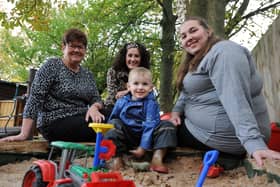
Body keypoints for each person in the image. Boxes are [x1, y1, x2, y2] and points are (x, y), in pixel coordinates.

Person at [169, 16, 280, 169]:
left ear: (208, 31)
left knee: (155, 130)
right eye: (183, 36)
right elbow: (187, 93)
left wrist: (254, 143)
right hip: (213, 130)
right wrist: (176, 112)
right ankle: (225, 155)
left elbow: (235, 98)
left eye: (193, 31)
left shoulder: (224, 52)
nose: (189, 38)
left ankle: (227, 153)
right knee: (166, 122)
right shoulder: (197, 61)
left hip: (228, 136)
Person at [0, 28, 105, 143]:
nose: (76, 50)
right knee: (106, 126)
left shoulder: (87, 74)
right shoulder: (52, 66)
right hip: (55, 121)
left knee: (114, 114)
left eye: (80, 47)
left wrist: (94, 107)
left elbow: (97, 99)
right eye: (72, 46)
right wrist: (24, 134)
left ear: (85, 50)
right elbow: (35, 99)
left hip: (82, 117)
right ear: (63, 47)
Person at [104, 67, 177, 173]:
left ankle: (157, 159)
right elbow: (113, 118)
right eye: (136, 83)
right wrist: (107, 138)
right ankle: (117, 158)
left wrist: (143, 146)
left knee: (167, 125)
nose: (140, 87)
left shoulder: (151, 103)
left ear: (151, 87)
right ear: (128, 86)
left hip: (149, 135)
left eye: (145, 84)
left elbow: (150, 124)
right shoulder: (121, 102)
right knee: (113, 124)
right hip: (127, 135)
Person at [104, 42, 151, 114]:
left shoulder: (145, 73)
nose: (133, 59)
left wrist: (128, 91)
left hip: (138, 107)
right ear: (125, 57)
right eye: (130, 55)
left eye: (136, 56)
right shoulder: (113, 71)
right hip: (114, 107)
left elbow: (148, 91)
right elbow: (114, 95)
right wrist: (133, 92)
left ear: (141, 58)